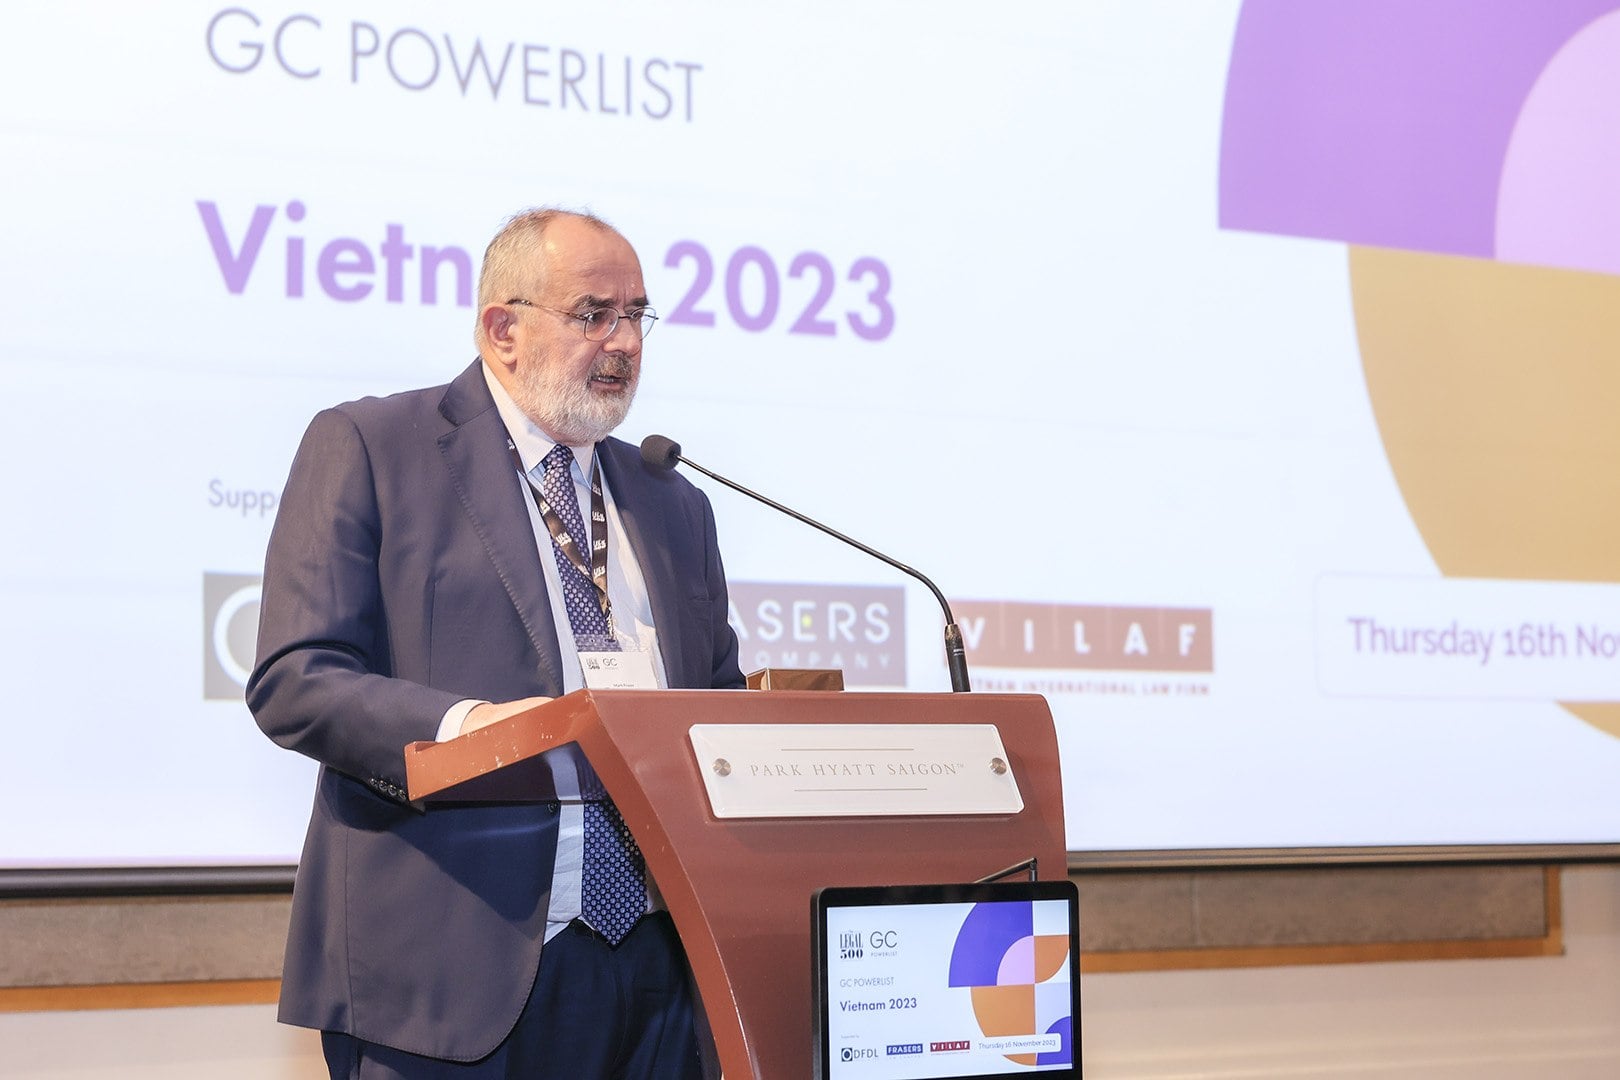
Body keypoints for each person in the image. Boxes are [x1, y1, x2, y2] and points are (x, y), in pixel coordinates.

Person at [248, 207, 744, 1079]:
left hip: (663, 973)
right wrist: (466, 728)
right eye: (594, 314)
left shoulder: (672, 499)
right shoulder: (374, 447)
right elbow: (297, 677)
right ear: (502, 329)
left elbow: (717, 704)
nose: (626, 342)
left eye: (637, 315)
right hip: (451, 965)